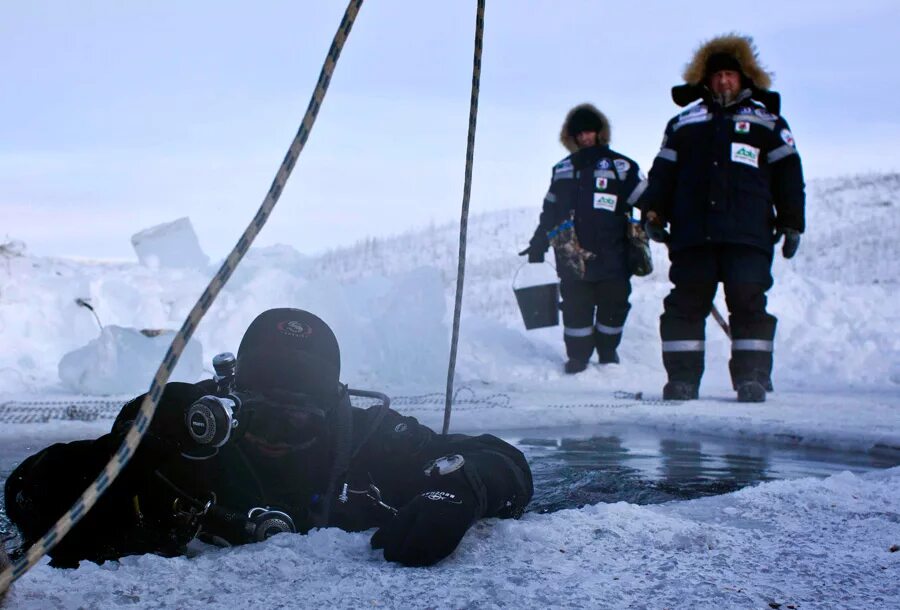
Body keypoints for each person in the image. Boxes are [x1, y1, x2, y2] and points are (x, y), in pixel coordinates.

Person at [4, 309, 532, 568]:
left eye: (298, 420)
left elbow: (502, 461)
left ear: (332, 408)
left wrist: (459, 488)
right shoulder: (191, 427)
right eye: (260, 417)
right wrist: (137, 448)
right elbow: (27, 493)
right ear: (231, 395)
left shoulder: (365, 435)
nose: (276, 436)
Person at [638, 34, 805, 402]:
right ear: (705, 80)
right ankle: (681, 381)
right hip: (692, 234)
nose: (724, 81)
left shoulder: (768, 122)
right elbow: (663, 173)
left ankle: (752, 378)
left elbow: (789, 176)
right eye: (717, 76)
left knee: (748, 302)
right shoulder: (683, 123)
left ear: (745, 79)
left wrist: (793, 221)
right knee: (684, 305)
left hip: (748, 234)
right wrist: (652, 211)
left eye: (731, 74)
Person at [520, 104, 647, 374]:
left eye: (590, 132)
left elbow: (647, 201)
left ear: (600, 133)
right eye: (580, 134)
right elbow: (550, 211)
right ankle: (577, 358)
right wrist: (538, 243)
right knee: (576, 309)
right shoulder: (562, 169)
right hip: (571, 256)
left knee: (614, 304)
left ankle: (608, 351)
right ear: (572, 137)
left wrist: (658, 223)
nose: (585, 138)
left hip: (614, 253)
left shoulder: (621, 167)